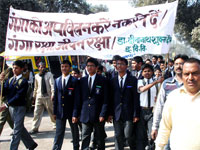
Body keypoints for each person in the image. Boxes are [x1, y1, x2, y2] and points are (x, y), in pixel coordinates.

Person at [155, 58, 200, 150]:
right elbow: (165, 127)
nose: (190, 78)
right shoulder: (173, 97)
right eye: (186, 74)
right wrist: (159, 147)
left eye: (195, 73)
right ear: (182, 76)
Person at [151, 54, 188, 150]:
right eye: (176, 64)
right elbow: (159, 106)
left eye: (181, 64)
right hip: (167, 127)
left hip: (186, 127)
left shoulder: (192, 84)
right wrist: (155, 126)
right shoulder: (167, 83)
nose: (178, 66)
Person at [0, 60, 38, 150]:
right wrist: (1, 82)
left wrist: (6, 105)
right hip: (11, 108)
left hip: (20, 108)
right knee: (19, 127)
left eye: (16, 68)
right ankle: (31, 144)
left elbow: (18, 95)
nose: (14, 70)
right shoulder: (10, 80)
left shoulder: (23, 81)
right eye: (13, 68)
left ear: (21, 69)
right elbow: (4, 92)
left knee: (16, 130)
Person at [108, 57, 140, 150]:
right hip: (117, 113)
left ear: (126, 66)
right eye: (118, 64)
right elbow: (110, 99)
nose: (119, 66)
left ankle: (133, 147)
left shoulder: (133, 80)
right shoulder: (112, 80)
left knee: (128, 135)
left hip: (129, 113)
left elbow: (135, 98)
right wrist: (109, 113)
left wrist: (135, 114)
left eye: (122, 64)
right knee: (118, 135)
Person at [78, 58, 108, 150]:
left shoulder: (103, 80)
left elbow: (106, 99)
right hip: (85, 114)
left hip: (98, 114)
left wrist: (103, 114)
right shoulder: (82, 80)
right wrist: (78, 113)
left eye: (92, 66)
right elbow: (79, 99)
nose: (89, 68)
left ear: (96, 67)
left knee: (99, 138)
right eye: (88, 66)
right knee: (85, 136)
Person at [52, 60, 80, 150]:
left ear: (70, 68)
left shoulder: (74, 81)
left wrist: (75, 114)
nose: (64, 68)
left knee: (75, 133)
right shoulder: (57, 81)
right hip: (60, 112)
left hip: (72, 112)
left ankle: (76, 147)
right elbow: (56, 98)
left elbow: (77, 99)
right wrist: (54, 112)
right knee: (59, 133)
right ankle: (56, 148)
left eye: (66, 66)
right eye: (62, 66)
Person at [136, 64, 163, 150]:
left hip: (152, 111)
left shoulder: (157, 84)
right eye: (145, 71)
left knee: (152, 133)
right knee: (141, 134)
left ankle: (151, 147)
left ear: (152, 72)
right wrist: (155, 82)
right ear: (142, 73)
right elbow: (142, 89)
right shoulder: (140, 82)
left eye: (149, 71)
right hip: (142, 111)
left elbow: (160, 95)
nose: (147, 73)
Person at [29, 62, 56, 134]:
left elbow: (52, 84)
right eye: (41, 67)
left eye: (43, 67)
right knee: (36, 112)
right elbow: (36, 87)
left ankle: (55, 124)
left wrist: (53, 94)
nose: (42, 68)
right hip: (39, 96)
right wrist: (34, 97)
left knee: (51, 111)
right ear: (38, 68)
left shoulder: (49, 74)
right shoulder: (37, 76)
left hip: (48, 96)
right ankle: (34, 128)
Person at [0, 56, 14, 135]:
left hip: (6, 97)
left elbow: (6, 81)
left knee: (1, 118)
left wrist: (1, 78)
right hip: (1, 97)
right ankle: (17, 129)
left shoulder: (8, 70)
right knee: (8, 117)